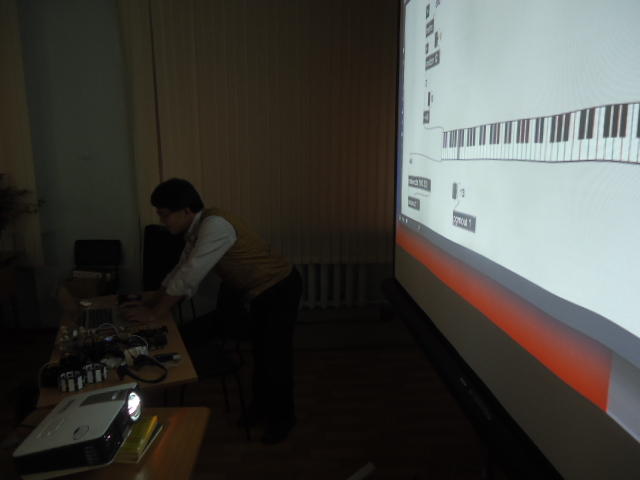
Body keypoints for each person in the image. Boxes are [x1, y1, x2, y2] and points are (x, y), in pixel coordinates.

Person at [124, 178, 302, 444]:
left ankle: (283, 419)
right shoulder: (196, 230)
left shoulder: (215, 226)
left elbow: (191, 273)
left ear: (186, 210)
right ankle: (261, 408)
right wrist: (151, 303)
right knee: (261, 354)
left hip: (279, 288)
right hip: (259, 292)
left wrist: (155, 314)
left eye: (165, 214)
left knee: (275, 357)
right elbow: (180, 271)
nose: (162, 221)